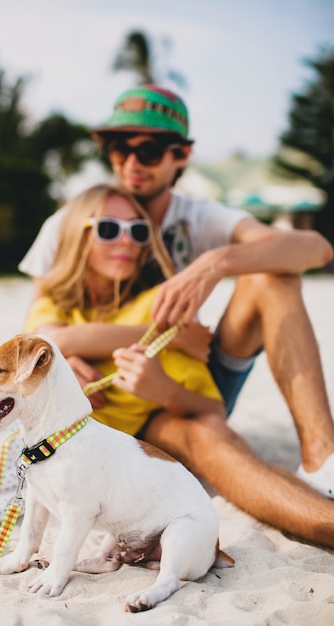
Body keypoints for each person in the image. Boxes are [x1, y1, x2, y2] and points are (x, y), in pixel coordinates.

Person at [19, 85, 334, 548]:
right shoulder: (70, 221)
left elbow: (317, 249)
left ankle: (321, 460)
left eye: (148, 150)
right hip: (116, 396)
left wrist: (218, 262)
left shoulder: (196, 216)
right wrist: (68, 358)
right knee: (207, 438)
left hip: (186, 377)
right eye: (117, 148)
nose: (131, 163)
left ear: (181, 156)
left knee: (273, 275)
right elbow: (39, 332)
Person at [24, 183, 225, 439]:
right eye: (108, 228)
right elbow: (55, 341)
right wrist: (171, 337)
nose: (127, 240)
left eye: (138, 231)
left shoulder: (157, 306)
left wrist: (166, 390)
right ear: (77, 234)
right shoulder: (54, 306)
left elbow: (214, 410)